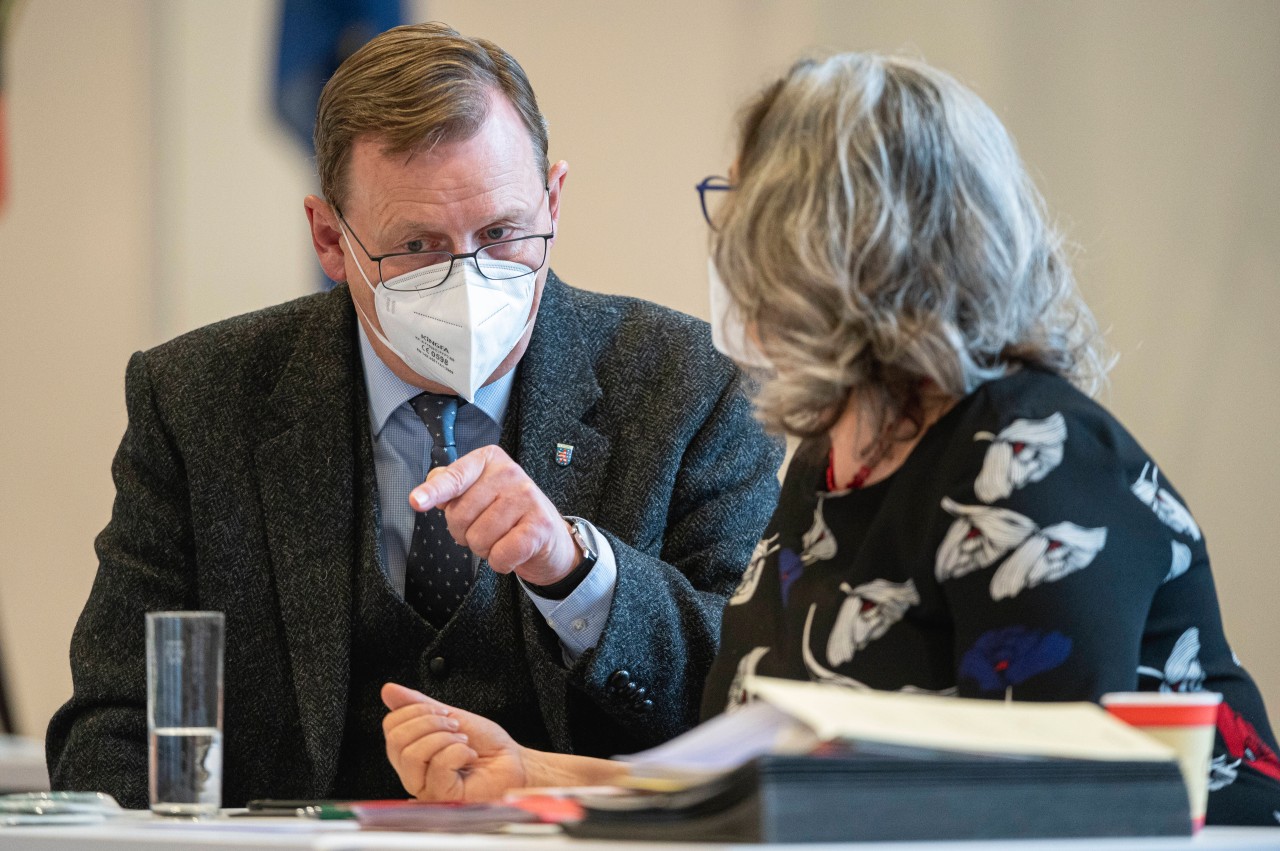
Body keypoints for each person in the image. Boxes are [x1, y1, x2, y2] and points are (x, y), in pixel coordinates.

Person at [381, 51, 1280, 825]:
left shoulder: (1027, 452)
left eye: (743, 208)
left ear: (842, 244)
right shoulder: (833, 452)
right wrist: (533, 772)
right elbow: (768, 787)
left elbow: (1033, 810)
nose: (724, 242)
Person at [45, 23, 782, 808]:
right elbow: (114, 724)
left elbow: (748, 705)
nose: (469, 280)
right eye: (419, 246)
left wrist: (575, 572)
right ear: (331, 238)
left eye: (501, 234)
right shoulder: (198, 399)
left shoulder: (689, 383)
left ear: (553, 200)